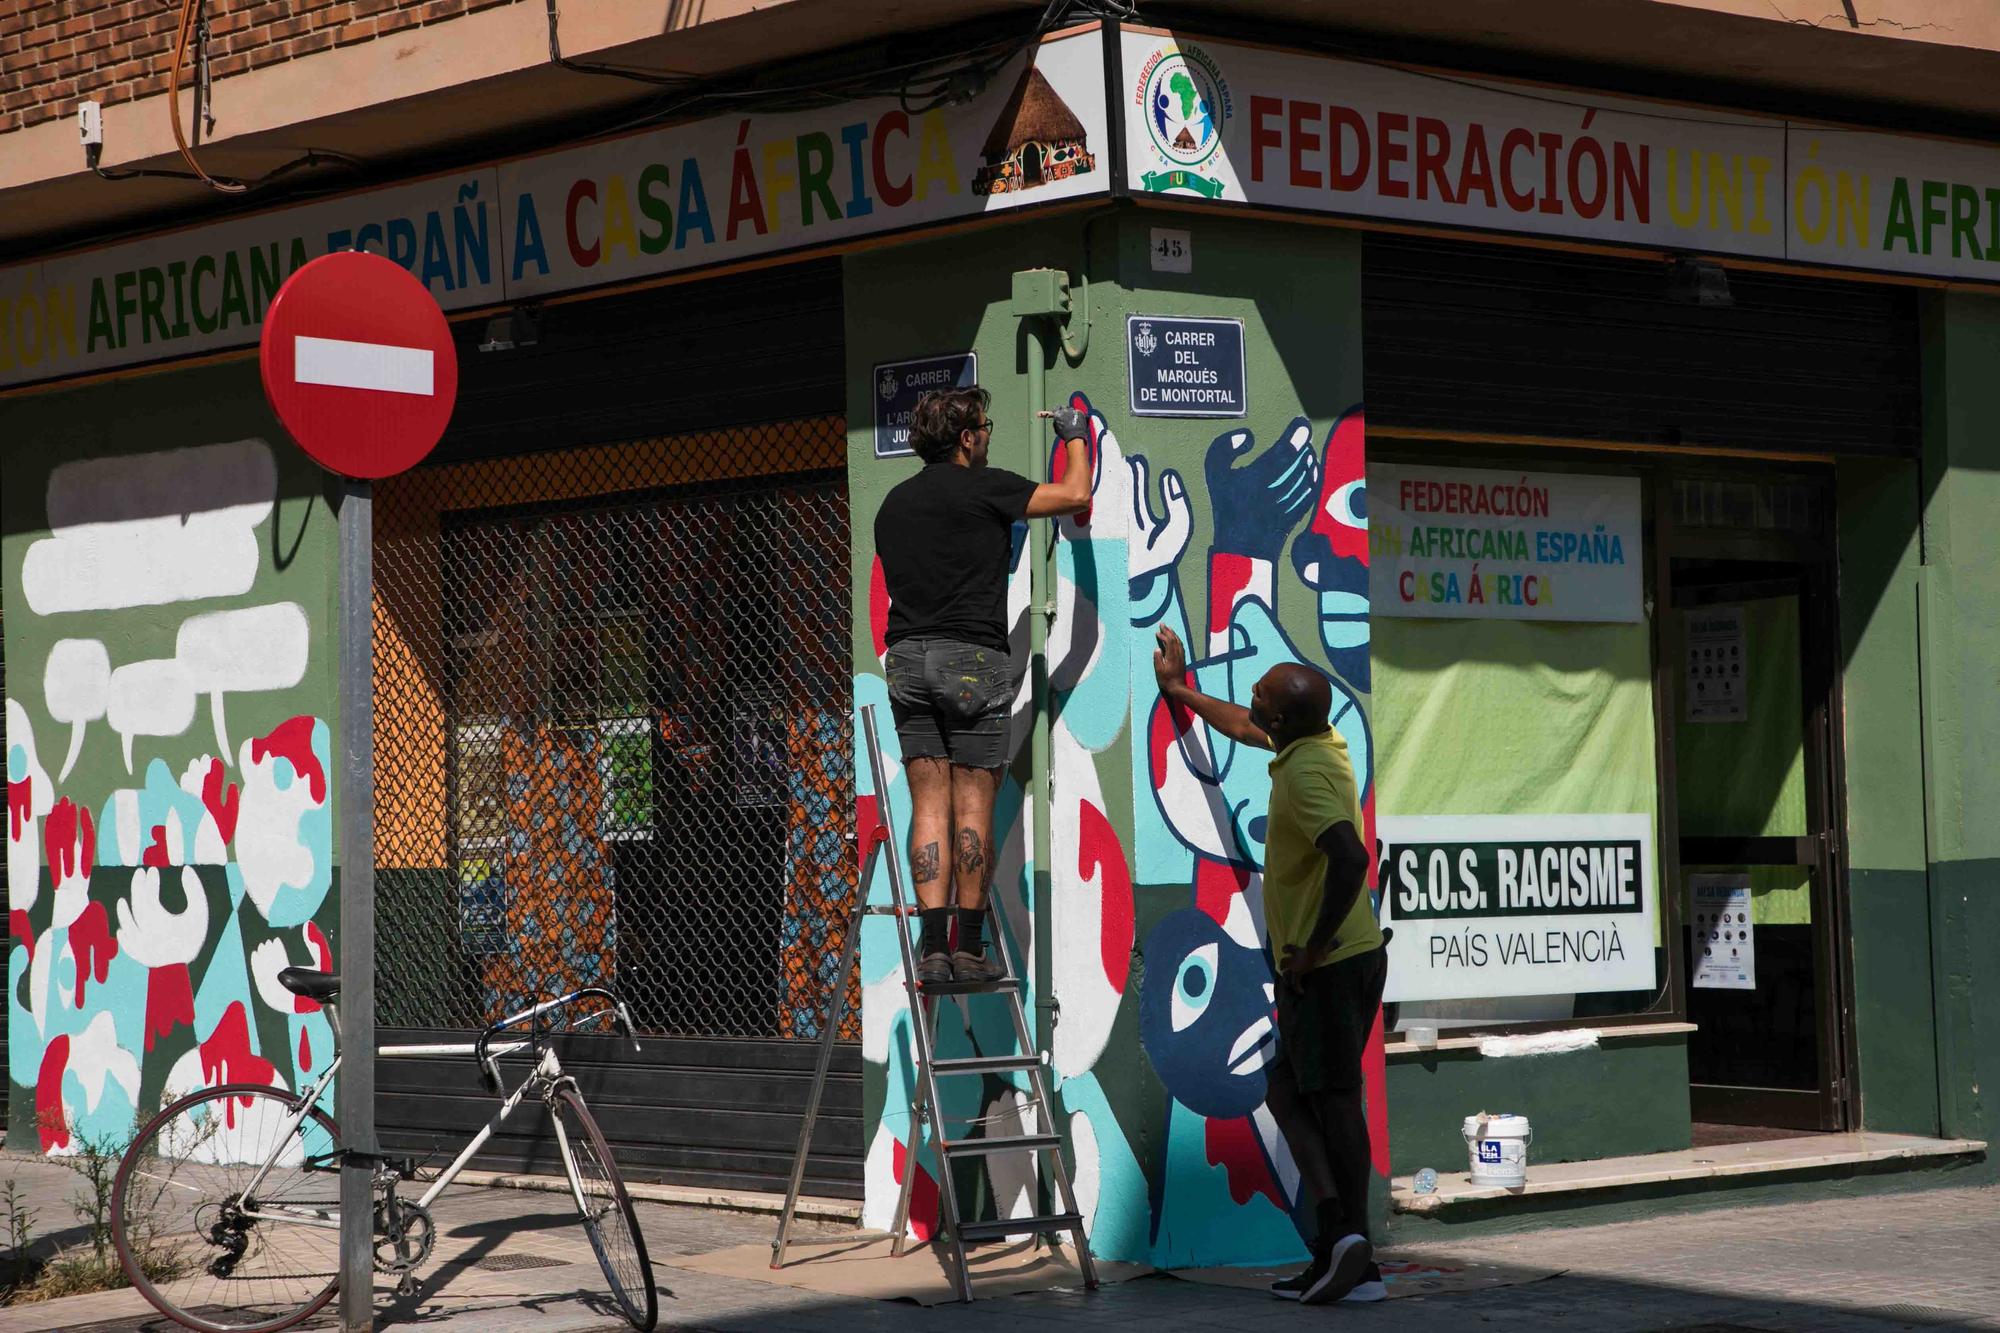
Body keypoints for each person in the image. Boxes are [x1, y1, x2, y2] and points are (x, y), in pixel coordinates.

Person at [1152, 624, 1388, 1306]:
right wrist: (1179, 690)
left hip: (1332, 962)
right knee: (1288, 1088)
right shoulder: (1309, 743)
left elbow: (1349, 857)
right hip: (1339, 959)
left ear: (1280, 718)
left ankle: (1355, 1254)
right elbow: (1243, 727)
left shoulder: (1309, 771)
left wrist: (1311, 947)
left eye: (1258, 696)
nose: (1248, 699)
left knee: (1335, 1099)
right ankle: (1339, 1242)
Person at [875, 386, 1091, 985]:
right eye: (986, 427)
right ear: (966, 438)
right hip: (971, 660)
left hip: (908, 660)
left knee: (928, 805)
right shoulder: (985, 487)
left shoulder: (891, 505)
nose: (990, 435)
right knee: (972, 805)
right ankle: (968, 949)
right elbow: (1076, 494)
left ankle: (930, 949)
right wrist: (1074, 432)